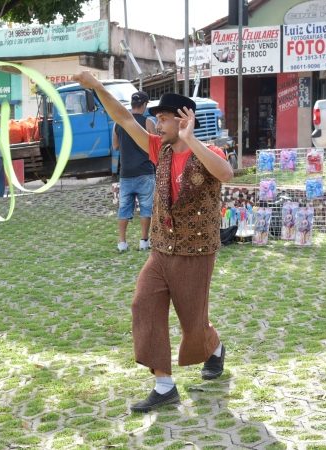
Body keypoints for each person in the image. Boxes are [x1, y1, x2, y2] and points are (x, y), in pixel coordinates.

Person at [72, 71, 234, 413]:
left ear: (184, 120)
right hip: (161, 249)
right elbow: (124, 118)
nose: (156, 125)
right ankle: (164, 384)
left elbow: (225, 174)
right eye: (157, 118)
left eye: (163, 119)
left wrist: (192, 141)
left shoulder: (206, 151)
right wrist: (98, 87)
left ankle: (215, 349)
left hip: (196, 251)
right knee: (143, 303)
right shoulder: (157, 148)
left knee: (194, 324)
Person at [112, 91, 156, 252]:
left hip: (126, 172)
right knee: (146, 208)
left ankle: (122, 243)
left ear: (132, 104)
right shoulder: (148, 122)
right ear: (144, 105)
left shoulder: (119, 123)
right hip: (145, 171)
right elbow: (156, 144)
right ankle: (144, 241)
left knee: (124, 209)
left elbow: (115, 146)